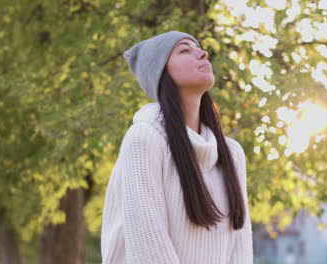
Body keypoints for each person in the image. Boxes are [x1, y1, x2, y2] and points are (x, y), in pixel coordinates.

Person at [100, 30, 254, 264]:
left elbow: (240, 250)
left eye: (199, 48)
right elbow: (148, 249)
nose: (203, 54)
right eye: (185, 50)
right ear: (161, 72)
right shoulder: (144, 139)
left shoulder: (231, 154)